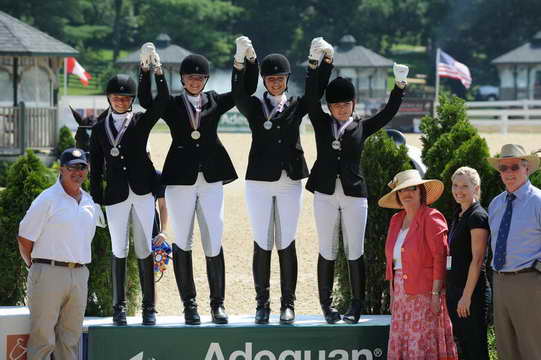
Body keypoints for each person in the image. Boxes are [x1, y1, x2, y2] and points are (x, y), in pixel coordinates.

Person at [138, 43, 258, 325]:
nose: (195, 81)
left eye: (200, 78)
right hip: (180, 179)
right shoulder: (171, 104)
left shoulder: (215, 100)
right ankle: (189, 305)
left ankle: (218, 305)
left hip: (211, 177)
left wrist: (243, 63)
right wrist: (146, 71)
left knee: (213, 235)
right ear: (182, 79)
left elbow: (245, 91)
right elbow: (146, 101)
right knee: (183, 240)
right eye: (190, 77)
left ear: (205, 79)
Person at [304, 40, 407, 324]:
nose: (340, 109)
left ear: (353, 104)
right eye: (335, 105)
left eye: (345, 104)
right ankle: (326, 306)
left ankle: (356, 305)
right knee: (327, 248)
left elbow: (387, 114)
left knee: (354, 249)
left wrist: (399, 87)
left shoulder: (362, 126)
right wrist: (316, 65)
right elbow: (311, 98)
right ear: (330, 106)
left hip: (354, 194)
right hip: (324, 192)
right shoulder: (321, 121)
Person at [231, 36, 333, 324]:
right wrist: (240, 62)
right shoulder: (253, 105)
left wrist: (319, 63)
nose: (276, 82)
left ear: (287, 79)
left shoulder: (297, 104)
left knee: (286, 240)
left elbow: (316, 95)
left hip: (290, 180)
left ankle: (288, 303)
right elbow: (237, 94)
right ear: (264, 80)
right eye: (271, 78)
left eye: (280, 78)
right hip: (259, 182)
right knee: (262, 240)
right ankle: (262, 304)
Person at [89, 43, 168, 326]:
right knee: (119, 249)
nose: (122, 102)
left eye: (126, 98)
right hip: (116, 196)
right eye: (117, 98)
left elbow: (161, 102)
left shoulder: (141, 121)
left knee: (144, 247)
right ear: (109, 98)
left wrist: (152, 72)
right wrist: (95, 200)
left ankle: (149, 307)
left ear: (132, 100)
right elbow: (96, 167)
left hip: (143, 191)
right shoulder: (98, 129)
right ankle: (118, 306)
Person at [17, 148, 105, 360]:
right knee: (42, 341)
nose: (78, 172)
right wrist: (36, 267)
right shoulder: (47, 199)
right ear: (61, 169)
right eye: (72, 167)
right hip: (48, 273)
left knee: (70, 340)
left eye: (82, 167)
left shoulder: (89, 202)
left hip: (80, 275)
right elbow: (24, 237)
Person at [378, 169, 457, 359]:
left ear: (421, 191)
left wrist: (436, 294)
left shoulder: (432, 217)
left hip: (425, 295)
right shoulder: (396, 220)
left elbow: (440, 257)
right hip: (400, 296)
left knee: (421, 345)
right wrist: (392, 293)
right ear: (397, 195)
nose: (407, 194)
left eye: (412, 188)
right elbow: (393, 262)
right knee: (403, 344)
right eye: (401, 190)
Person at [486, 144, 541, 360]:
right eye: (503, 168)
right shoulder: (496, 204)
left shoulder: (538, 201)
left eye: (514, 167)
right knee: (505, 348)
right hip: (500, 282)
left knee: (533, 347)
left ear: (526, 169)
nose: (508, 173)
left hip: (530, 280)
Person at [446, 167, 490, 359]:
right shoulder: (459, 214)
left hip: (471, 295)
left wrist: (466, 296)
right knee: (463, 349)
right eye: (455, 185)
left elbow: (477, 260)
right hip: (456, 293)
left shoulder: (477, 216)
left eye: (464, 186)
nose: (459, 190)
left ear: (476, 188)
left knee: (476, 350)